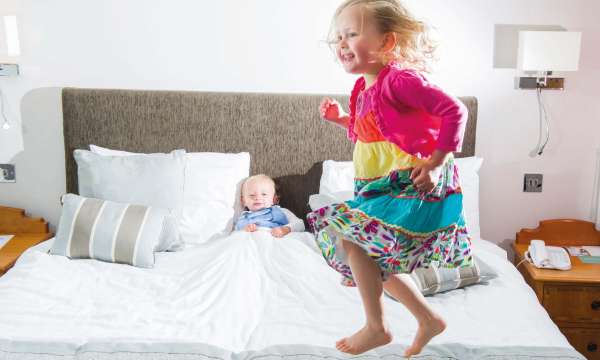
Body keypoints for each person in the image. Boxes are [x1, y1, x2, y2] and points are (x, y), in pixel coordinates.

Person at [307, 0, 472, 356]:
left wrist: (437, 163)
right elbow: (372, 132)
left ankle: (377, 326)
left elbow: (455, 110)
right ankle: (428, 319)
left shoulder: (399, 79)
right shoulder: (366, 86)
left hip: (414, 180)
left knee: (354, 242)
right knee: (371, 256)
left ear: (386, 43)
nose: (342, 43)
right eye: (338, 37)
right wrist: (341, 119)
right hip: (380, 184)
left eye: (352, 34)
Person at [235, 174, 304, 237]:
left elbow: (300, 224)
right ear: (243, 201)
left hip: (276, 239)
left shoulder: (280, 211)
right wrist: (245, 230)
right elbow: (236, 232)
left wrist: (285, 229)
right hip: (252, 242)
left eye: (264, 194)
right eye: (252, 195)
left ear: (274, 199)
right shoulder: (244, 217)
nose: (257, 198)